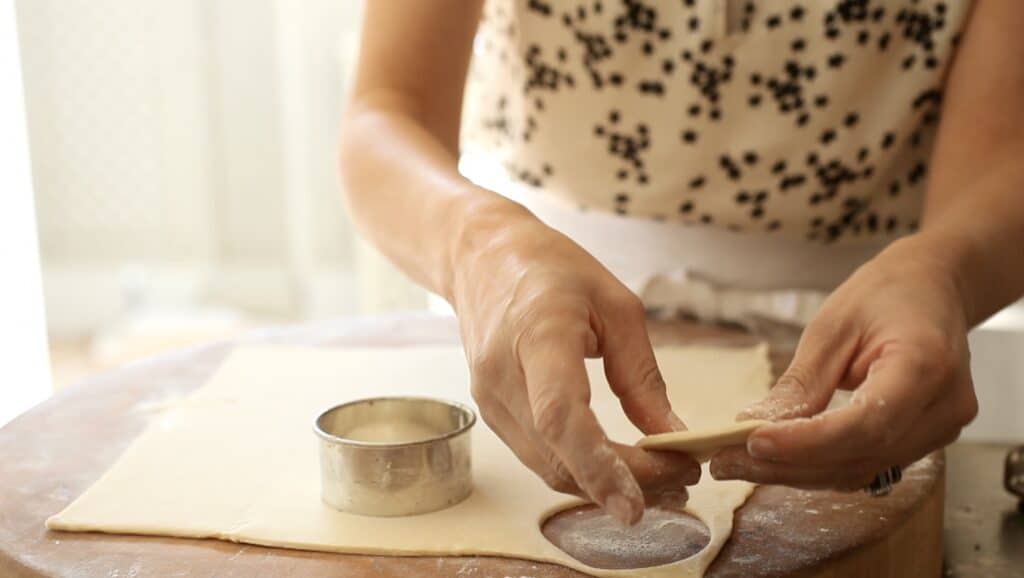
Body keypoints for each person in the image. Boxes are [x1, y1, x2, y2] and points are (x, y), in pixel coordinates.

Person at [338, 0, 1024, 526]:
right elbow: (383, 115)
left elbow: (1003, 160)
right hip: (531, 325)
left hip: (872, 353)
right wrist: (479, 248)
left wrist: (948, 271)